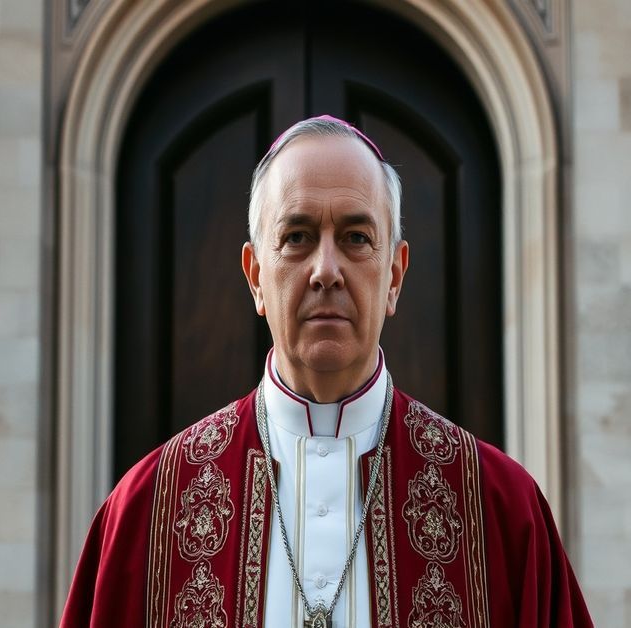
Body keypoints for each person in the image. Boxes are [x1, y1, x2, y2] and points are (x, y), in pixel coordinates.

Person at [60, 115, 592, 627]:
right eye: (297, 236)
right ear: (255, 277)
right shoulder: (146, 513)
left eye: (357, 237)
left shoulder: (500, 510)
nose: (326, 271)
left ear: (395, 276)